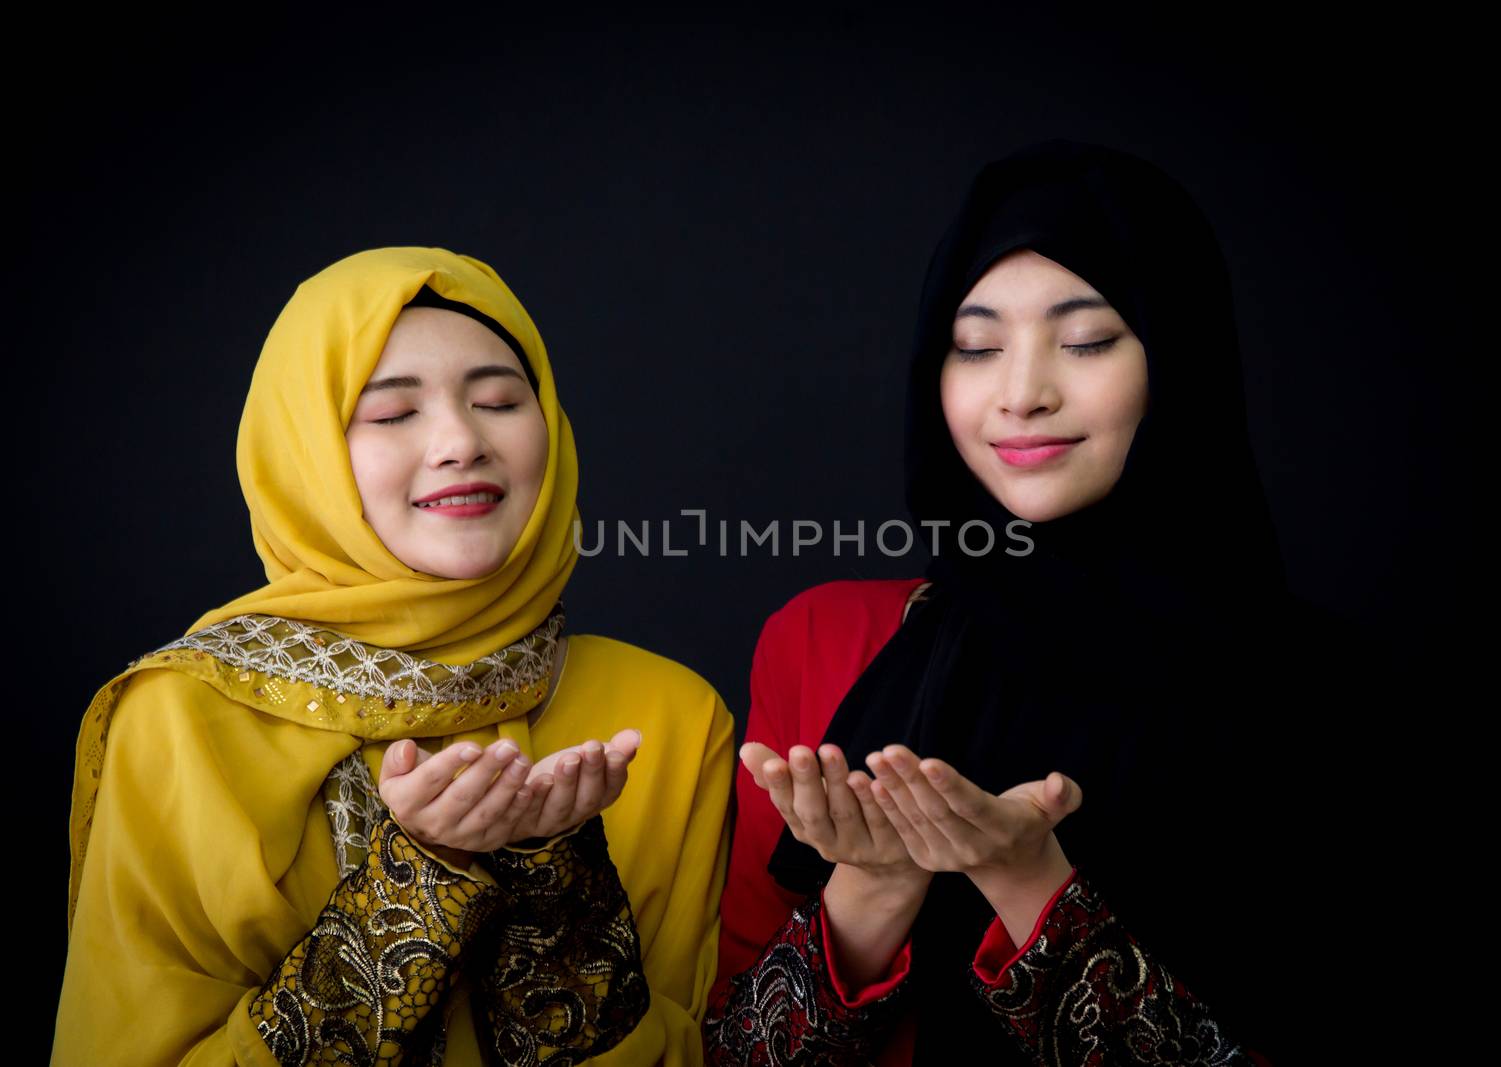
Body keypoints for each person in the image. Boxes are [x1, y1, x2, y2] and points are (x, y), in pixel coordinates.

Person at [704, 142, 1381, 1065]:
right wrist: (870, 887)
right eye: (975, 346)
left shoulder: (1319, 690)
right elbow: (731, 1052)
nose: (1021, 393)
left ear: (1176, 358)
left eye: (1088, 339)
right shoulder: (831, 640)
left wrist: (1031, 883)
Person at [55, 247, 734, 1066]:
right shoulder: (184, 716)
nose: (461, 441)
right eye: (390, 414)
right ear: (302, 454)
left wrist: (557, 882)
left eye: (499, 400)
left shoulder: (668, 715)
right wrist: (416, 882)